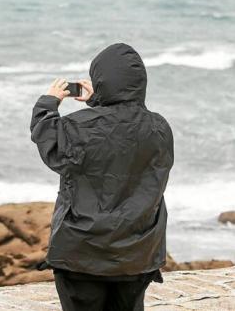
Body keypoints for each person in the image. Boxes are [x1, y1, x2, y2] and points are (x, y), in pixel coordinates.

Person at [30, 43, 174, 311]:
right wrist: (101, 103)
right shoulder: (160, 128)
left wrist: (48, 102)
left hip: (82, 254)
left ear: (101, 81)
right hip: (137, 254)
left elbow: (48, 140)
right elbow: (121, 136)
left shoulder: (79, 127)